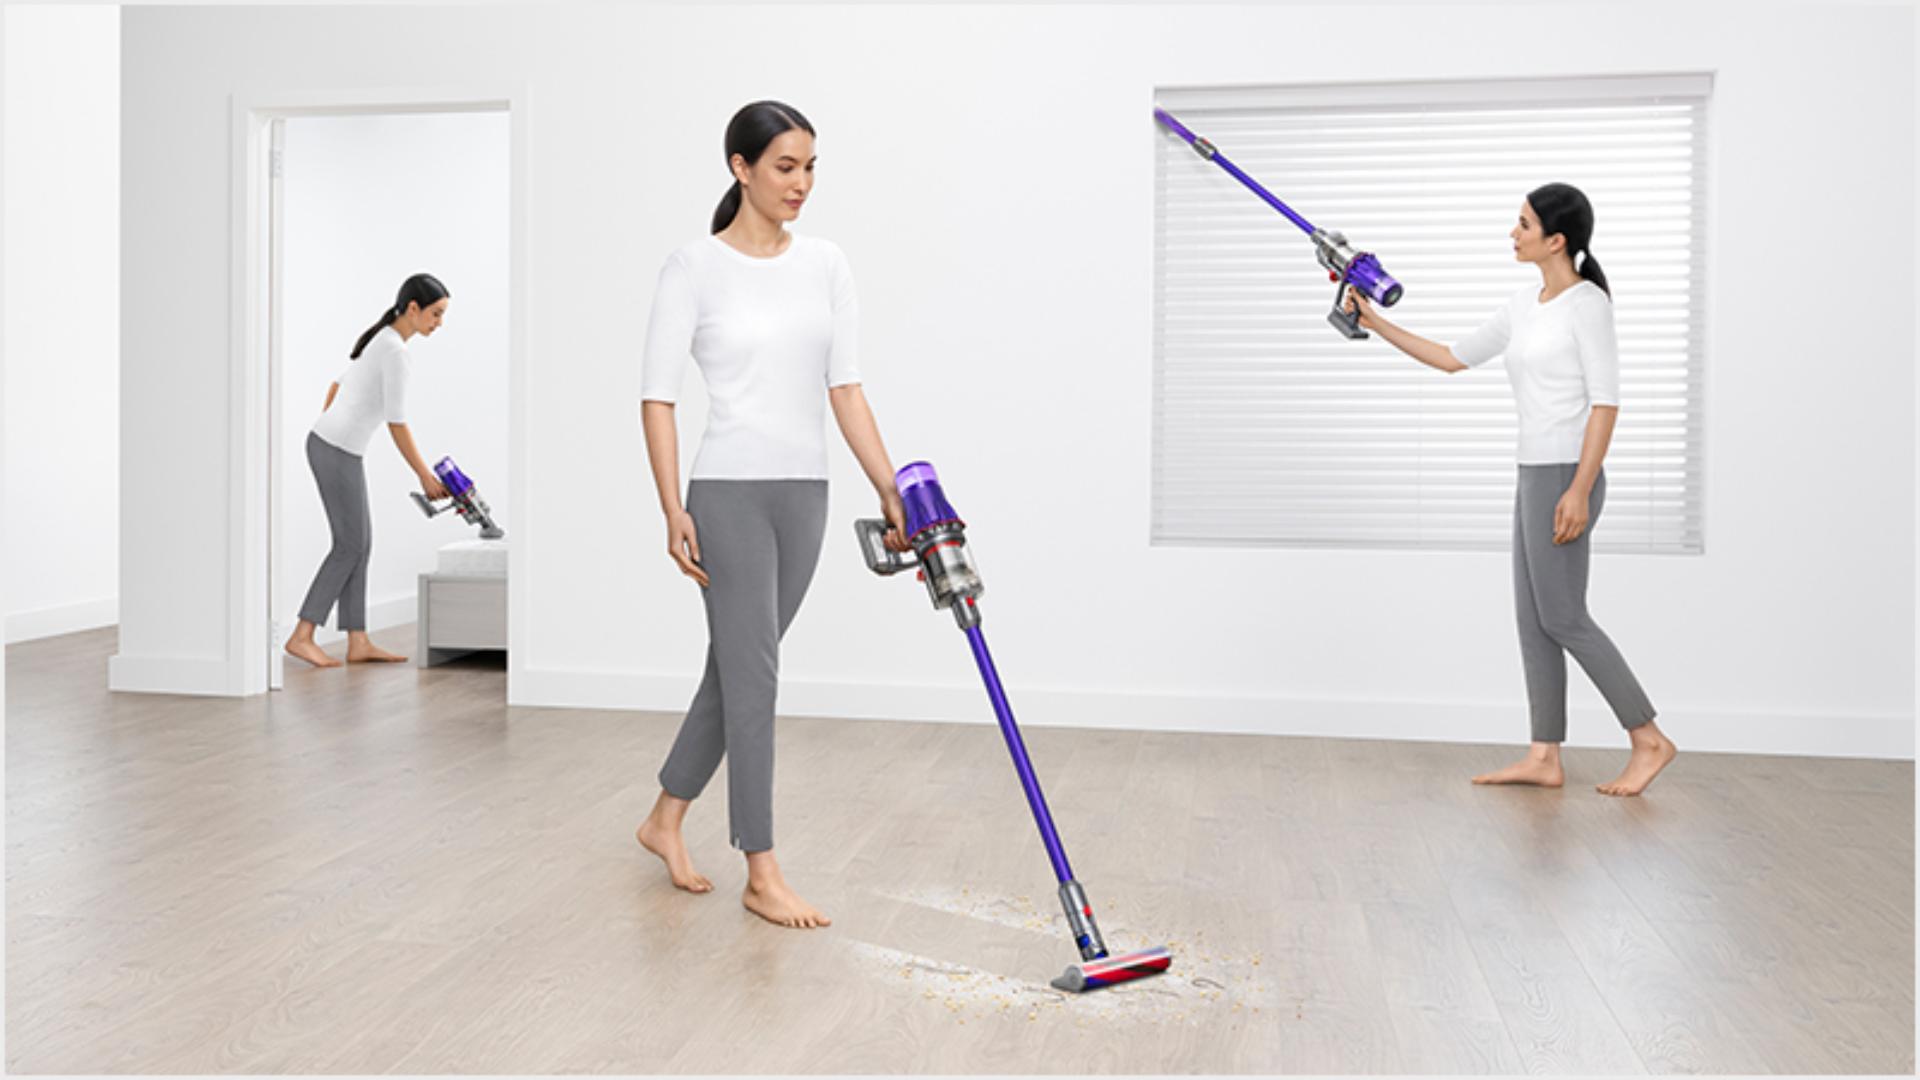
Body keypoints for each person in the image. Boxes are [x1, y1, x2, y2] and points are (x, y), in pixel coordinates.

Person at [634, 101, 911, 926]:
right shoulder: (692, 267)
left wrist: (889, 489)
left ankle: (663, 820)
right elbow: (657, 398)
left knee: (737, 670)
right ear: (740, 167)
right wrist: (671, 506)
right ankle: (761, 868)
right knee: (756, 677)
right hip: (727, 496)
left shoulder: (826, 264)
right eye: (785, 166)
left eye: (811, 167)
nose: (802, 183)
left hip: (807, 495)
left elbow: (846, 389)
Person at [1345, 183, 1676, 796]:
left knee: (1566, 617)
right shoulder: (1526, 304)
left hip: (1565, 476)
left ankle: (1648, 738)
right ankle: (1545, 756)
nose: (1512, 232)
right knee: (1534, 621)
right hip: (1532, 475)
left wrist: (1578, 489)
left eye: (1523, 224)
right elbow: (1451, 358)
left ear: (1557, 239)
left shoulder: (1588, 305)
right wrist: (1374, 322)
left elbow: (1606, 403)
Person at [284, 273, 452, 669]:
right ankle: (302, 634)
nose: (439, 323)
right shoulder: (395, 351)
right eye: (436, 314)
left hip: (338, 447)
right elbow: (397, 421)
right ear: (413, 309)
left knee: (361, 542)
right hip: (335, 449)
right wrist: (424, 476)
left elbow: (337, 385)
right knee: (349, 545)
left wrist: (334, 424)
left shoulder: (383, 340)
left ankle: (357, 640)